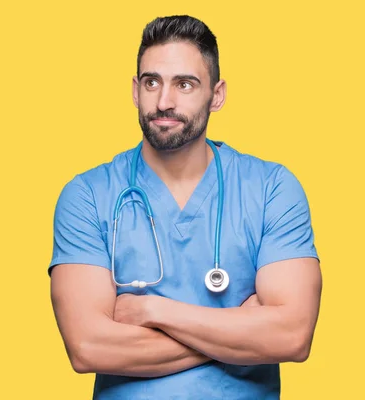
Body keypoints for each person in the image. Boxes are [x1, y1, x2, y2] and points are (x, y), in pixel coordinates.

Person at [47, 15, 322, 399]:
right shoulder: (88, 195)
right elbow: (88, 347)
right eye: (151, 82)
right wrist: (241, 332)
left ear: (217, 94)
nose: (164, 101)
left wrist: (152, 313)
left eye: (185, 84)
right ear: (134, 90)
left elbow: (292, 336)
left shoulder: (271, 189)